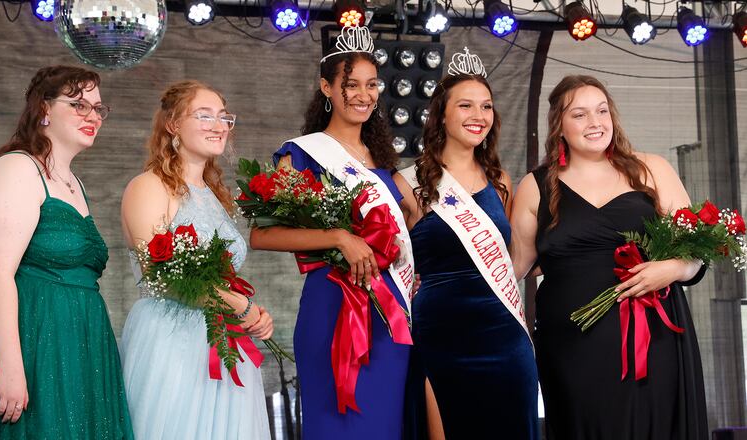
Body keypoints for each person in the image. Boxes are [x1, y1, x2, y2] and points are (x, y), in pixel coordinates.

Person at [510, 74, 708, 439]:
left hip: (654, 339)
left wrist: (671, 268)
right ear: (559, 125)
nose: (595, 122)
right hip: (571, 347)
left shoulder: (651, 168)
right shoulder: (535, 185)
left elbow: (697, 253)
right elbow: (513, 268)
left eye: (602, 111)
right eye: (580, 114)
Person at [248, 26, 413, 440]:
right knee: (335, 424)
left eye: (372, 85)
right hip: (332, 302)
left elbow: (412, 218)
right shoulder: (301, 152)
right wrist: (339, 237)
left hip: (388, 307)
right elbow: (262, 235)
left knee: (383, 424)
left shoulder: (382, 160)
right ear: (326, 87)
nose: (363, 94)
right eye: (351, 84)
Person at [0, 65, 134, 438]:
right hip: (31, 337)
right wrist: (10, 368)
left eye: (98, 108)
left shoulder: (73, 182)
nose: (93, 116)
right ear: (44, 109)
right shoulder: (17, 168)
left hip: (78, 338)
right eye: (79, 105)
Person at [396, 48, 539, 440]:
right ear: (441, 113)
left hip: (503, 333)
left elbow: (514, 258)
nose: (479, 116)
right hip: (442, 335)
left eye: (487, 106)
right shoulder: (407, 183)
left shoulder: (501, 182)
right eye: (466, 105)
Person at [119, 80, 272, 439]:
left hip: (224, 340)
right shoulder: (148, 186)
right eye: (204, 116)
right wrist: (239, 304)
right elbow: (159, 274)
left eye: (224, 117)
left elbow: (223, 278)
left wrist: (254, 313)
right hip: (172, 339)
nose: (219, 126)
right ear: (172, 124)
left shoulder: (215, 194)